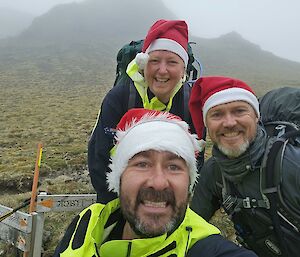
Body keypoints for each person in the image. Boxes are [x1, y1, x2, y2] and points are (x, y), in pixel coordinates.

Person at [54, 108, 257, 257]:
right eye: (142, 164)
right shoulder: (88, 224)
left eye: (174, 167)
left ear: (189, 184)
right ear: (119, 177)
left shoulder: (207, 249)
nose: (159, 183)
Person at [88, 19, 204, 203]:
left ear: (183, 69)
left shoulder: (191, 104)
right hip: (120, 200)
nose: (162, 70)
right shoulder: (120, 98)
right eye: (155, 61)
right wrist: (119, 210)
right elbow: (100, 158)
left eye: (172, 62)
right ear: (143, 64)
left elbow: (196, 163)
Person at [188, 76, 300, 257]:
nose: (229, 123)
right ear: (207, 124)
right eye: (217, 114)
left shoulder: (291, 165)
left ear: (256, 117)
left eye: (239, 111)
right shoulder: (214, 171)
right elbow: (189, 227)